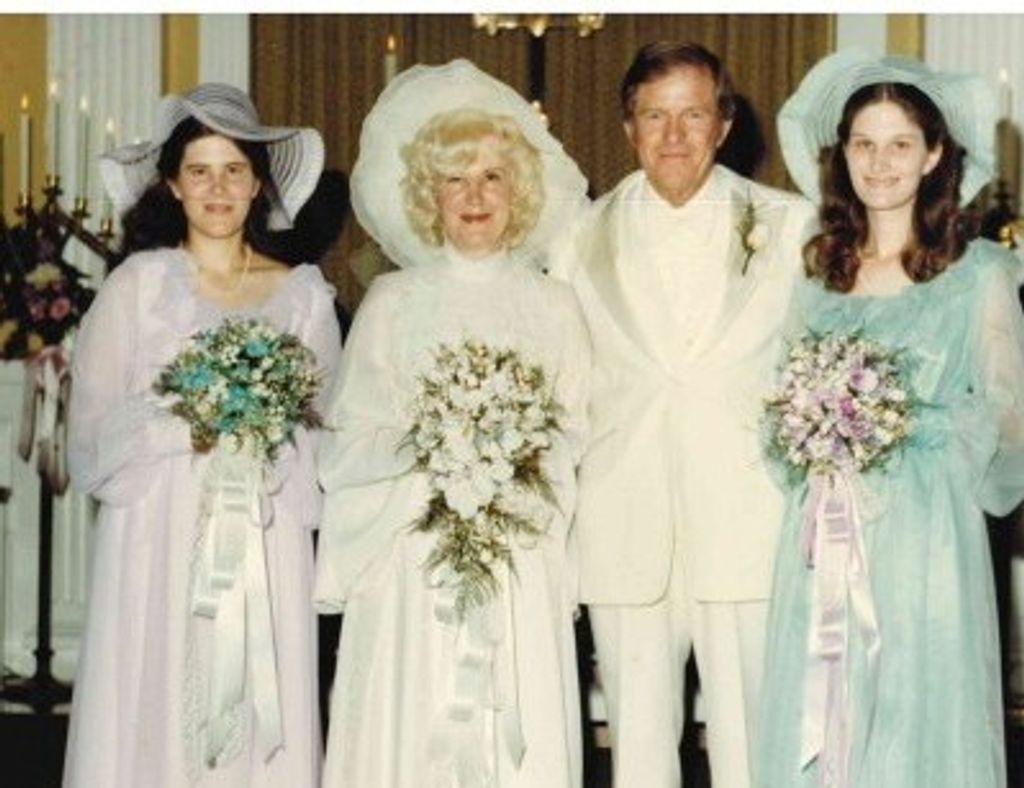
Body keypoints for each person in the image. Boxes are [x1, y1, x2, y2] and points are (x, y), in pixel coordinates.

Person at [313, 59, 590, 788]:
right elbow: (346, 447)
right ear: (427, 194)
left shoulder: (555, 305)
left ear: (518, 190)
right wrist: (435, 449)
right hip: (411, 558)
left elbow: (578, 434)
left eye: (492, 177)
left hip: (518, 553)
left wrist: (507, 469)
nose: (474, 196)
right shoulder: (391, 302)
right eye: (454, 179)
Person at [549, 41, 816, 787]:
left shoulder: (790, 225)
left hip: (747, 524)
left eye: (692, 115)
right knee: (636, 747)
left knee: (753, 745)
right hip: (623, 523)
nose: (673, 136)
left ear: (723, 125)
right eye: (654, 116)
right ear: (627, 127)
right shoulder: (576, 235)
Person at [757, 49, 1024, 788]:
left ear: (934, 154)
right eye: (864, 144)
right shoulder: (818, 274)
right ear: (841, 155)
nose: (880, 164)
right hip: (824, 535)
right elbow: (778, 409)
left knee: (912, 717)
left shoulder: (977, 274)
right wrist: (814, 432)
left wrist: (903, 428)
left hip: (927, 539)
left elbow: (1011, 420)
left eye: (900, 144)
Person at [64, 83, 341, 787]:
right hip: (157, 531)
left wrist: (262, 435)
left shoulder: (305, 295)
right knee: (160, 694)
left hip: (263, 531)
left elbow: (328, 436)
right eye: (200, 171)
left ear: (258, 184)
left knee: (255, 702)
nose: (217, 188)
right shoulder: (138, 286)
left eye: (233, 170)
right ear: (172, 185)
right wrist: (187, 422)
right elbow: (91, 432)